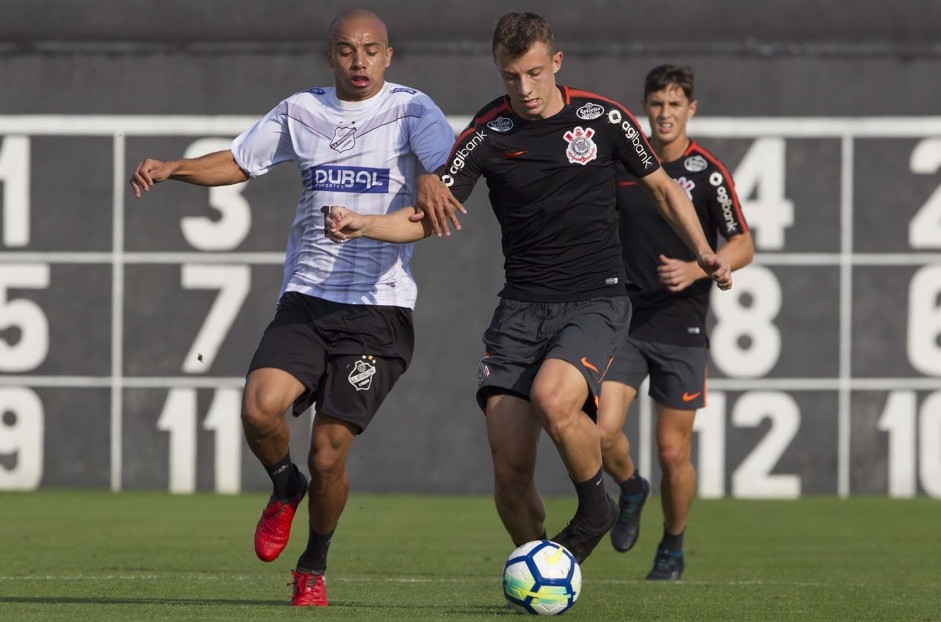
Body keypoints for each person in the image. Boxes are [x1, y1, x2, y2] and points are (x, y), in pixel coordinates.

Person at [326, 12, 733, 566]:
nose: (525, 88)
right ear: (499, 72)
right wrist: (364, 223)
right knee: (510, 473)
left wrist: (705, 252)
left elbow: (663, 189)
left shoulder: (603, 119)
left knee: (552, 398)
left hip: (595, 299)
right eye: (511, 76)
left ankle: (597, 508)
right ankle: (541, 570)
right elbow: (428, 216)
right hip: (519, 310)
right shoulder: (488, 133)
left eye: (535, 73)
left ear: (556, 64)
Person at [128, 9, 456, 607]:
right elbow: (238, 161)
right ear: (329, 55)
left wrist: (435, 177)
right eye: (347, 50)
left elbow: (449, 170)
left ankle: (313, 564)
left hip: (376, 312)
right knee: (259, 409)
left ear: (390, 56)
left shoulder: (414, 110)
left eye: (371, 50)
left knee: (328, 451)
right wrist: (175, 167)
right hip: (307, 298)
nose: (359, 61)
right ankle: (284, 485)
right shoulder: (300, 110)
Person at [598, 64, 754, 581]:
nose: (665, 114)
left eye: (675, 104)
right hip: (625, 318)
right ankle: (631, 487)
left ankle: (672, 543)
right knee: (600, 432)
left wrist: (696, 265)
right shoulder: (624, 162)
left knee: (672, 451)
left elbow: (742, 243)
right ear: (647, 106)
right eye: (657, 103)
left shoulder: (707, 172)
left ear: (691, 109)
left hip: (680, 324)